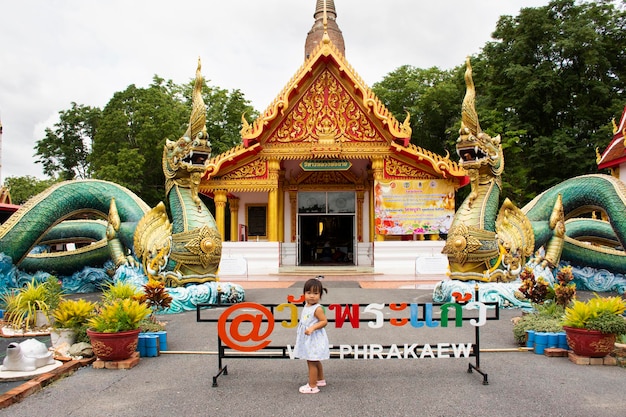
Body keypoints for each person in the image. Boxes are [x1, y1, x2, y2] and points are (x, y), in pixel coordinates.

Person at [293, 277, 330, 394]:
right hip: (308, 337)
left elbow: (324, 321)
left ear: (320, 295)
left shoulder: (317, 308)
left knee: (311, 361)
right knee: (315, 359)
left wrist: (312, 328)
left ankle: (312, 385)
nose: (312, 296)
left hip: (313, 338)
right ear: (304, 294)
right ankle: (320, 379)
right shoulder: (307, 304)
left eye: (315, 293)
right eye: (309, 293)